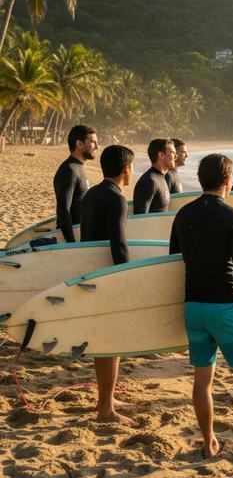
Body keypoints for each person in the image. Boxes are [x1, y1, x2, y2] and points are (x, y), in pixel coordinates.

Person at [169, 153, 233, 458]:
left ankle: (209, 442)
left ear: (201, 180)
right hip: (226, 307)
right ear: (228, 180)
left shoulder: (183, 215)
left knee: (203, 380)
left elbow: (174, 262)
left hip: (194, 308)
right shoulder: (232, 216)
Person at [79, 144, 135, 424]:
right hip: (108, 278)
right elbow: (119, 244)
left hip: (92, 275)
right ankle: (105, 410)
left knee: (107, 341)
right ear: (126, 168)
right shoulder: (117, 199)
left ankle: (108, 398)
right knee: (110, 342)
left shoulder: (92, 194)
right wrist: (127, 278)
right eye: (132, 167)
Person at [166, 138, 233, 195]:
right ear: (174, 152)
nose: (187, 155)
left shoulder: (173, 174)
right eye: (183, 152)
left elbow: (217, 187)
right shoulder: (167, 176)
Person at [54, 125, 97, 242]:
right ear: (79, 144)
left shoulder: (78, 168)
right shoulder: (69, 170)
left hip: (80, 232)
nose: (97, 146)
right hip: (73, 236)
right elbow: (63, 210)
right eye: (93, 142)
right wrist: (71, 244)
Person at [133, 138, 177, 214]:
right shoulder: (149, 182)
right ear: (161, 155)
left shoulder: (161, 178)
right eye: (173, 153)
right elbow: (140, 219)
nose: (176, 156)